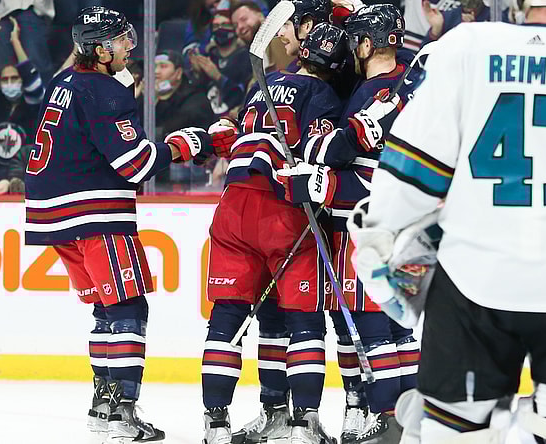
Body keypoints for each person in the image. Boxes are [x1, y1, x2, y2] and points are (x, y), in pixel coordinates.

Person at [349, 0, 546, 442]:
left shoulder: (466, 48)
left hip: (475, 276)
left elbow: (414, 170)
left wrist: (379, 233)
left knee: (450, 426)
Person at [23, 7, 213, 443]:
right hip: (96, 215)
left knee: (106, 309)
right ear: (100, 48)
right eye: (121, 39)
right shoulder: (103, 90)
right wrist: (189, 142)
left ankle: (103, 405)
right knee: (128, 306)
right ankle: (121, 411)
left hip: (55, 215)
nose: (130, 44)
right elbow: (136, 163)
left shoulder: (64, 81)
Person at [276, 5, 422, 443]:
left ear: (365, 43)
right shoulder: (399, 85)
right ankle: (406, 417)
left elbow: (346, 155)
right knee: (399, 326)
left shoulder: (378, 93)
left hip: (368, 227)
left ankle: (385, 417)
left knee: (372, 322)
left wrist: (319, 179)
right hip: (407, 226)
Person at [199, 22, 346, 444]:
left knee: (227, 319)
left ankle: (216, 424)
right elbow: (323, 152)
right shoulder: (322, 94)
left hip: (232, 206)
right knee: (304, 321)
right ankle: (303, 425)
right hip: (280, 207)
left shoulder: (264, 84)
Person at [0, 14, 45, 193]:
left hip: (25, 173)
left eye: (14, 78)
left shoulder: (32, 105)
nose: (9, 82)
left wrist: (16, 42)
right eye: (5, 79)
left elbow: (32, 79)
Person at [149, 49, 214, 190]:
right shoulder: (147, 97)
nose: (156, 72)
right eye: (153, 66)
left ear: (178, 73)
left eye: (163, 66)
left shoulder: (195, 99)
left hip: (188, 178)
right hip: (152, 174)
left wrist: (159, 101)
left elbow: (171, 130)